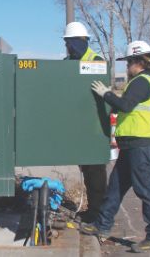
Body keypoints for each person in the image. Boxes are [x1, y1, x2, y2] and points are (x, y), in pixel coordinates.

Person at [82, 40, 150, 253]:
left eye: (128, 63)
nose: (127, 67)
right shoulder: (147, 81)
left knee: (146, 190)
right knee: (116, 188)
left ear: (137, 62)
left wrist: (107, 94)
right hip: (133, 145)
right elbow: (128, 108)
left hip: (142, 146)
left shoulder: (142, 81)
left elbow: (126, 105)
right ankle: (102, 225)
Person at [63, 21, 107, 223]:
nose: (69, 47)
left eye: (72, 43)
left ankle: (99, 213)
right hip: (77, 127)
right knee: (87, 171)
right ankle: (92, 210)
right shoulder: (66, 62)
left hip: (94, 128)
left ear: (83, 42)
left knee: (96, 173)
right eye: (67, 43)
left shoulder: (96, 61)